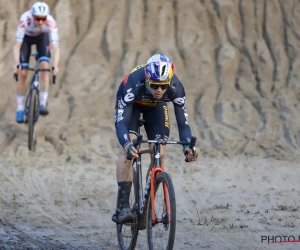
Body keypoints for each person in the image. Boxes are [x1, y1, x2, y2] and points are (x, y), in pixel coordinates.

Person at [112, 54, 199, 225]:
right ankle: (123, 207)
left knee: (159, 153)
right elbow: (121, 124)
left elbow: (183, 124)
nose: (159, 90)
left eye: (163, 86)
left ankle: (148, 202)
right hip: (133, 107)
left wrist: (188, 146)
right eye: (154, 85)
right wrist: (128, 144)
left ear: (169, 82)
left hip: (156, 108)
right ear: (147, 79)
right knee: (127, 151)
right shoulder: (132, 84)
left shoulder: (176, 87)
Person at [13, 2, 60, 123]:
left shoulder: (51, 22)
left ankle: (43, 103)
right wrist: (16, 63)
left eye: (42, 19)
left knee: (45, 67)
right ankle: (20, 109)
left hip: (41, 39)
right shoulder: (25, 19)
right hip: (26, 40)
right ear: (32, 16)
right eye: (37, 18)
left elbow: (56, 48)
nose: (40, 22)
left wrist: (55, 65)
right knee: (22, 74)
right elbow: (17, 45)